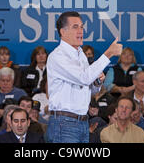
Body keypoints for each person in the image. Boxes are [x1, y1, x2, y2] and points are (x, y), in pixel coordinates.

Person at [46, 11, 123, 143]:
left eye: (82, 27)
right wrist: (109, 53)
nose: (80, 31)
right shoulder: (57, 56)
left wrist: (97, 83)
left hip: (82, 121)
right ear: (62, 32)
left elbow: (90, 90)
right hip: (64, 123)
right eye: (75, 27)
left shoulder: (81, 55)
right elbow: (84, 78)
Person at [0, 67, 27, 133]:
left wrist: (5, 113)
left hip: (14, 128)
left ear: (13, 81)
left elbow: (26, 111)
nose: (5, 83)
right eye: (3, 80)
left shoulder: (20, 94)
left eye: (8, 81)